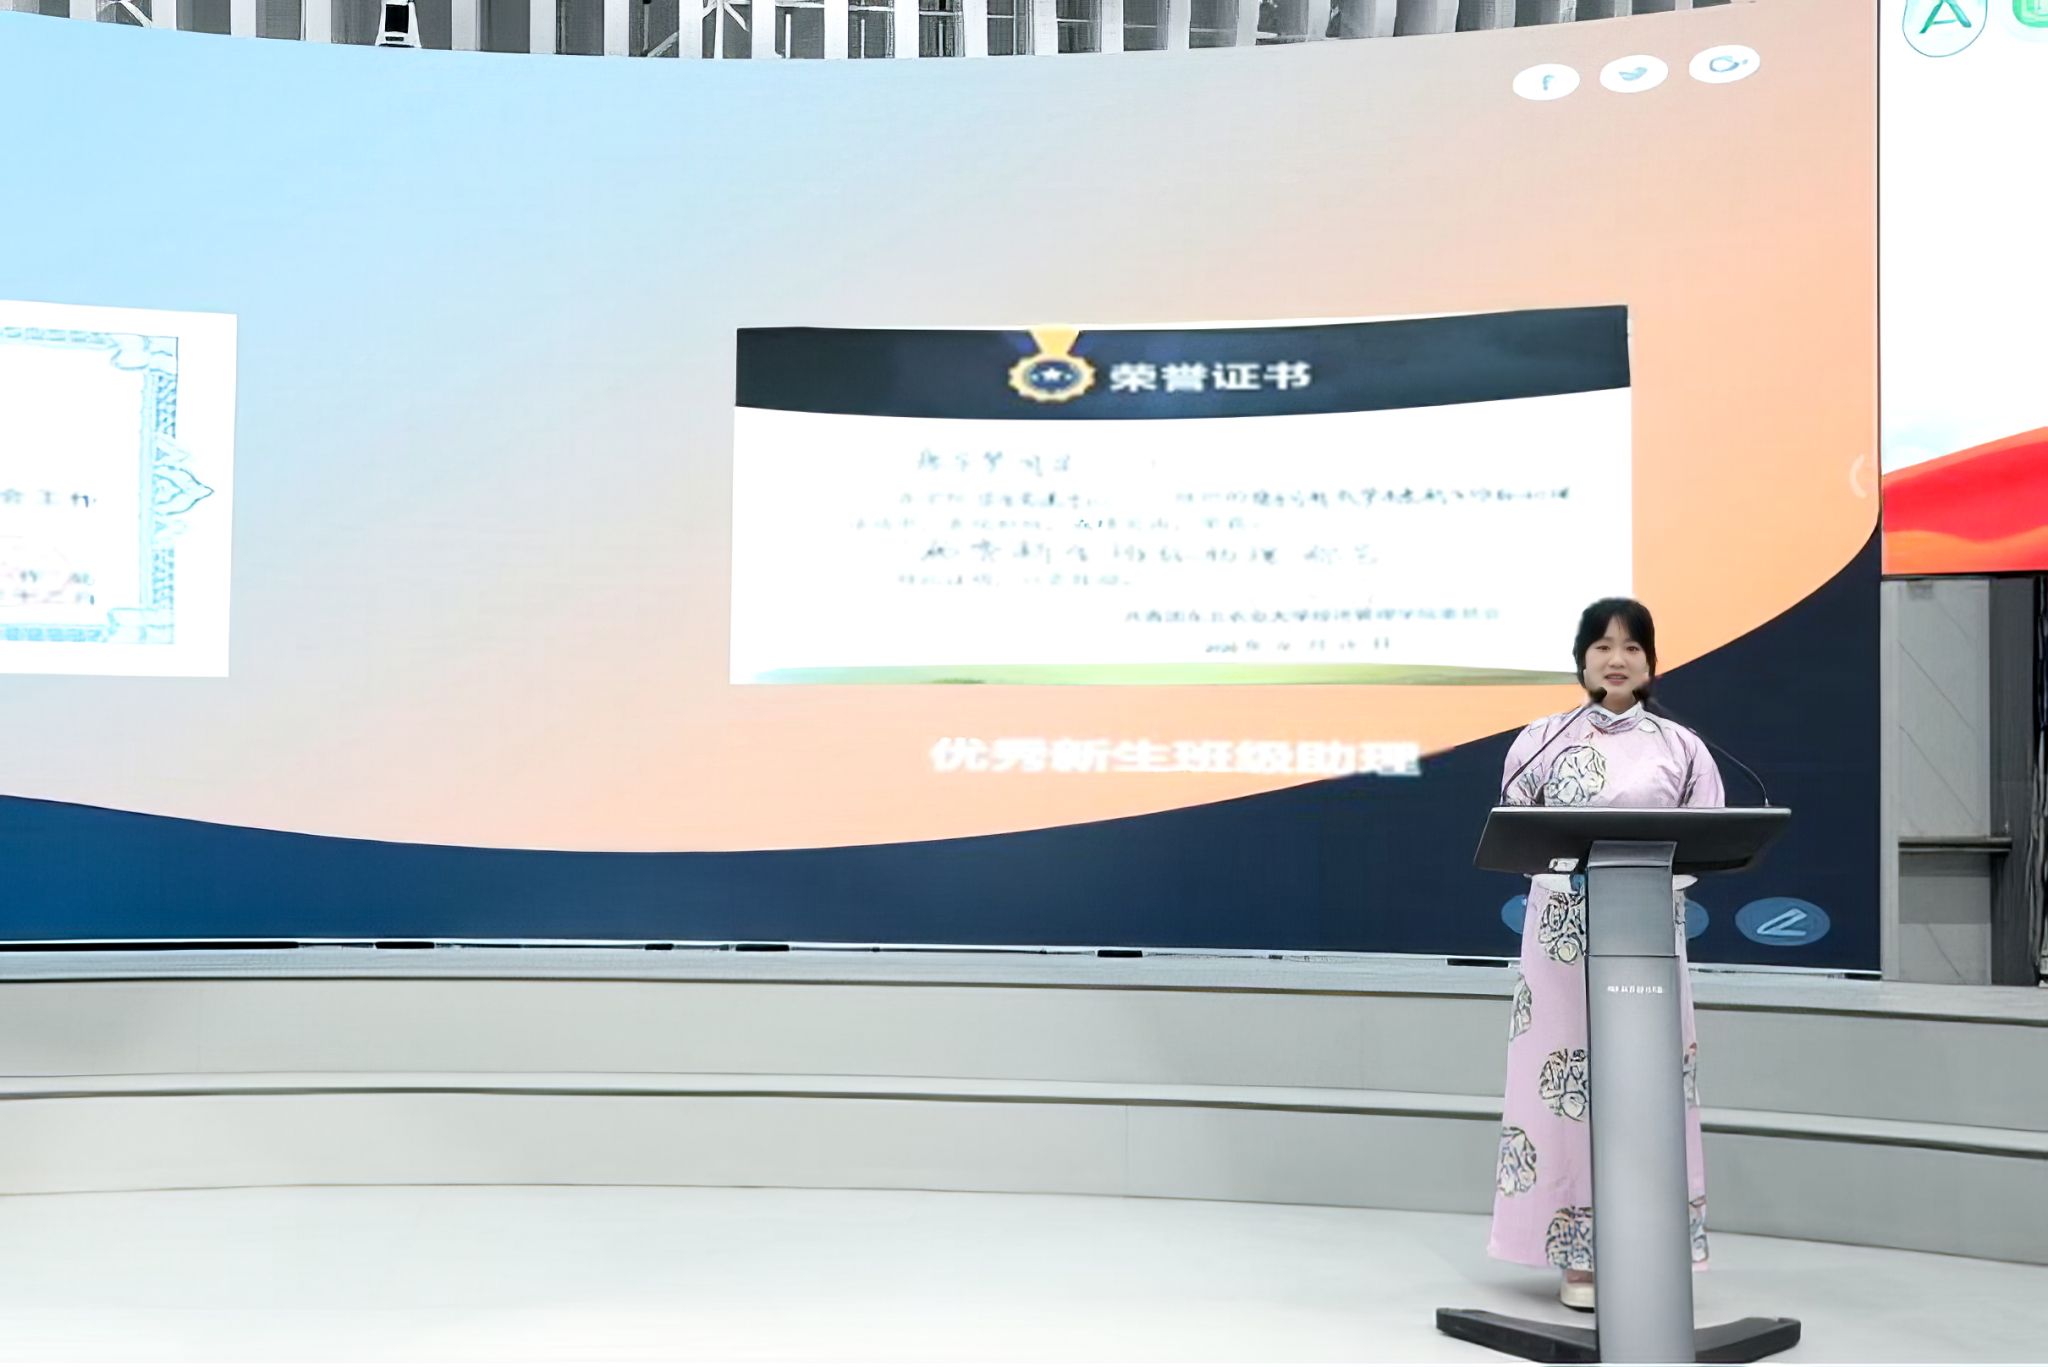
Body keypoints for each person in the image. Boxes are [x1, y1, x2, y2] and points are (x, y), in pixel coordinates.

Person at [1486, 598, 1722, 1312]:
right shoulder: (1539, 741)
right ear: (1581, 660)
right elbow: (1515, 833)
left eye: (1632, 647)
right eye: (1602, 646)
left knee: (1652, 1080)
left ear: (1651, 661)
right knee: (1562, 1090)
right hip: (1561, 943)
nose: (1617, 659)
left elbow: (1709, 838)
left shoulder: (1682, 747)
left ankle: (1653, 1246)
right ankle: (1577, 1255)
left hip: (1647, 935)